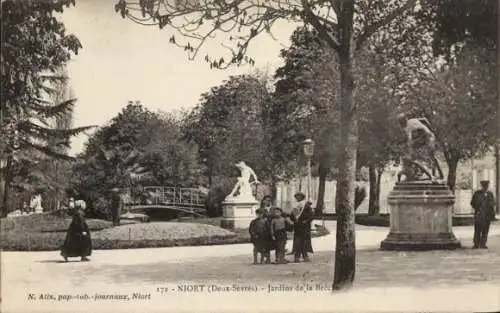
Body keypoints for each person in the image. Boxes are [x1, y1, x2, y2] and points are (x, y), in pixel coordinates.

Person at [397, 113, 444, 181]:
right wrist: (430, 128)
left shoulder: (407, 127)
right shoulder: (412, 120)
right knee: (418, 152)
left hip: (428, 137)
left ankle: (436, 175)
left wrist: (410, 151)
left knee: (431, 156)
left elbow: (409, 140)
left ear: (402, 122)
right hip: (425, 137)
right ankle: (417, 170)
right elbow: (424, 119)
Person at [470, 180, 496, 249]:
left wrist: (492, 212)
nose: (485, 187)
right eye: (484, 186)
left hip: (487, 215)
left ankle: (483, 244)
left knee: (485, 230)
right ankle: (476, 244)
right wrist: (477, 208)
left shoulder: (490, 194)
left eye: (486, 186)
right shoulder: (477, 193)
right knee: (477, 229)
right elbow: (472, 202)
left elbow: (493, 203)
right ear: (482, 186)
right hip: (479, 214)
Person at [291, 192, 314, 262]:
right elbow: (292, 216)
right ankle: (296, 257)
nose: (298, 197)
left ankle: (305, 256)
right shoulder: (295, 206)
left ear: (302, 197)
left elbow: (311, 215)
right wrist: (294, 219)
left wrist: (306, 221)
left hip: (305, 226)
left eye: (299, 196)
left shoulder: (306, 205)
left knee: (304, 241)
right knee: (297, 242)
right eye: (296, 196)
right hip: (297, 226)